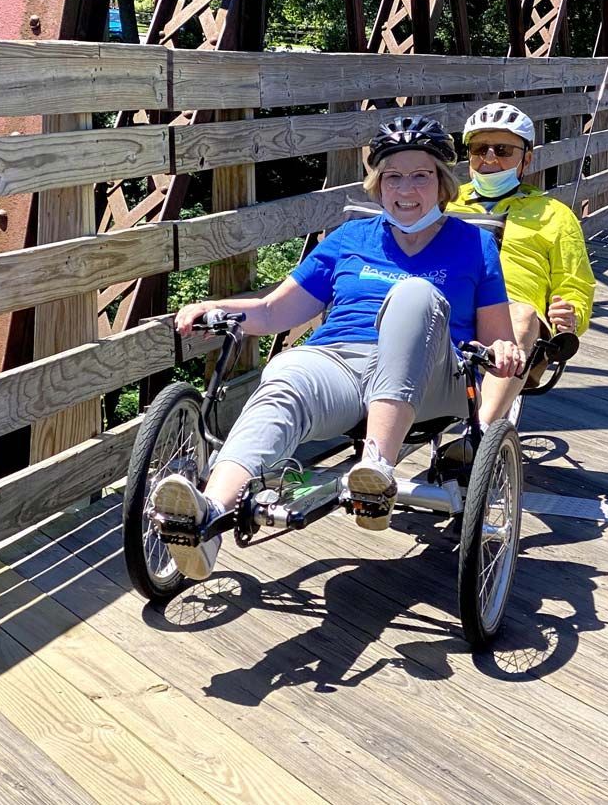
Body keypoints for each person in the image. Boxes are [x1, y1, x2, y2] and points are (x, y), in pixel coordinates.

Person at [152, 115, 525, 580]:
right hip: (343, 365)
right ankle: (209, 516)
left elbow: (498, 339)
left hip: (433, 375)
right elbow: (272, 313)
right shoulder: (350, 240)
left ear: (442, 185)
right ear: (377, 184)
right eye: (393, 176)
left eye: (420, 176)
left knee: (414, 295)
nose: (405, 189)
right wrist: (215, 305)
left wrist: (506, 353)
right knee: (287, 372)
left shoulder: (473, 244)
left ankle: (376, 472)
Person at [446, 102, 596, 427]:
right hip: (447, 306)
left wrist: (570, 317)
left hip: (513, 321)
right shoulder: (443, 201)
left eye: (502, 150)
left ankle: (479, 434)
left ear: (526, 159)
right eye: (478, 149)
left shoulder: (554, 215)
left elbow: (575, 284)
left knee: (522, 314)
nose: (488, 159)